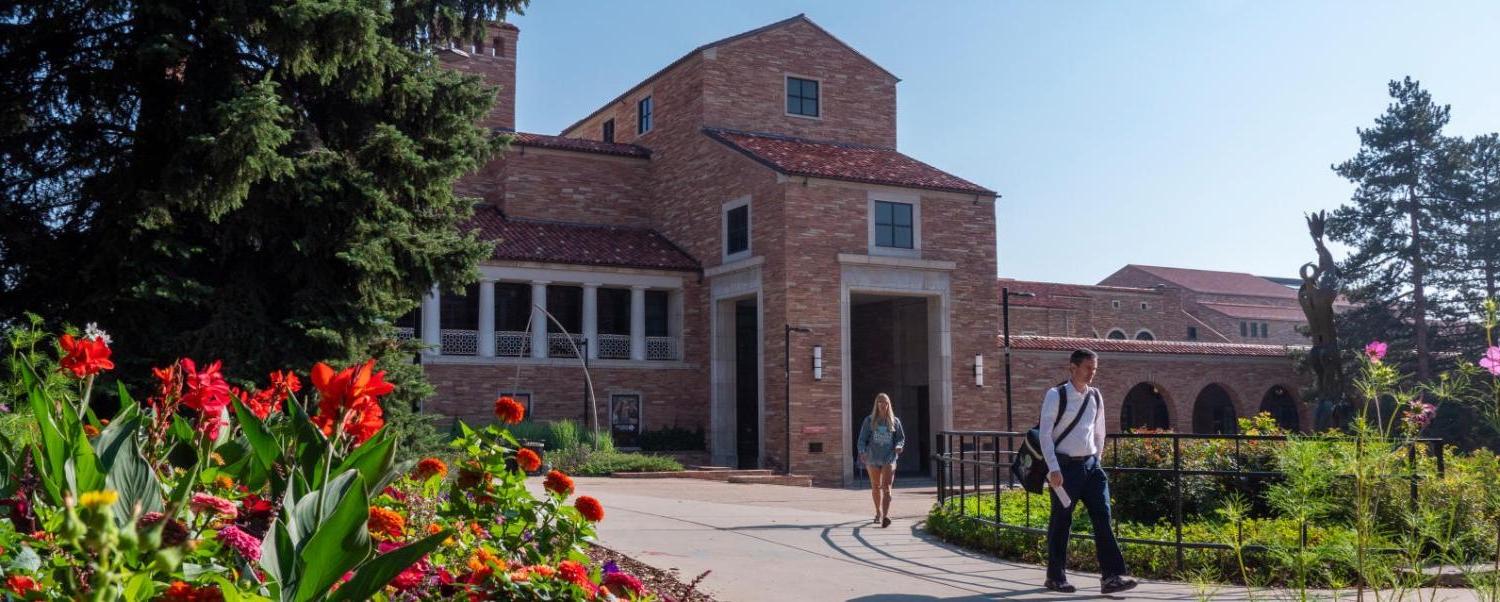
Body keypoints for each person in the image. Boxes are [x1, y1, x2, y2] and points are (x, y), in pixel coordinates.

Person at [1039, 349, 1136, 595]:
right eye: (1088, 368)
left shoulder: (1095, 396)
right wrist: (1053, 468)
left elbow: (1099, 431)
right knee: (1062, 521)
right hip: (1064, 469)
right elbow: (1044, 434)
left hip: (1091, 467)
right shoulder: (1056, 395)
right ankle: (1055, 577)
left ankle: (1111, 577)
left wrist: (1097, 460)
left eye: (1094, 368)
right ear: (1073, 367)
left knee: (1103, 517)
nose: (1092, 373)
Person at [857, 393, 904, 528]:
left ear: (889, 404)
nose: (883, 405)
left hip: (889, 458)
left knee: (887, 488)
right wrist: (862, 452)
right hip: (872, 458)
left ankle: (885, 516)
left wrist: (899, 446)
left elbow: (900, 438)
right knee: (876, 486)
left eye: (885, 402)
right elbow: (862, 439)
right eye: (880, 402)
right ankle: (878, 512)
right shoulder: (869, 421)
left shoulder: (895, 421)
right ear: (876, 405)